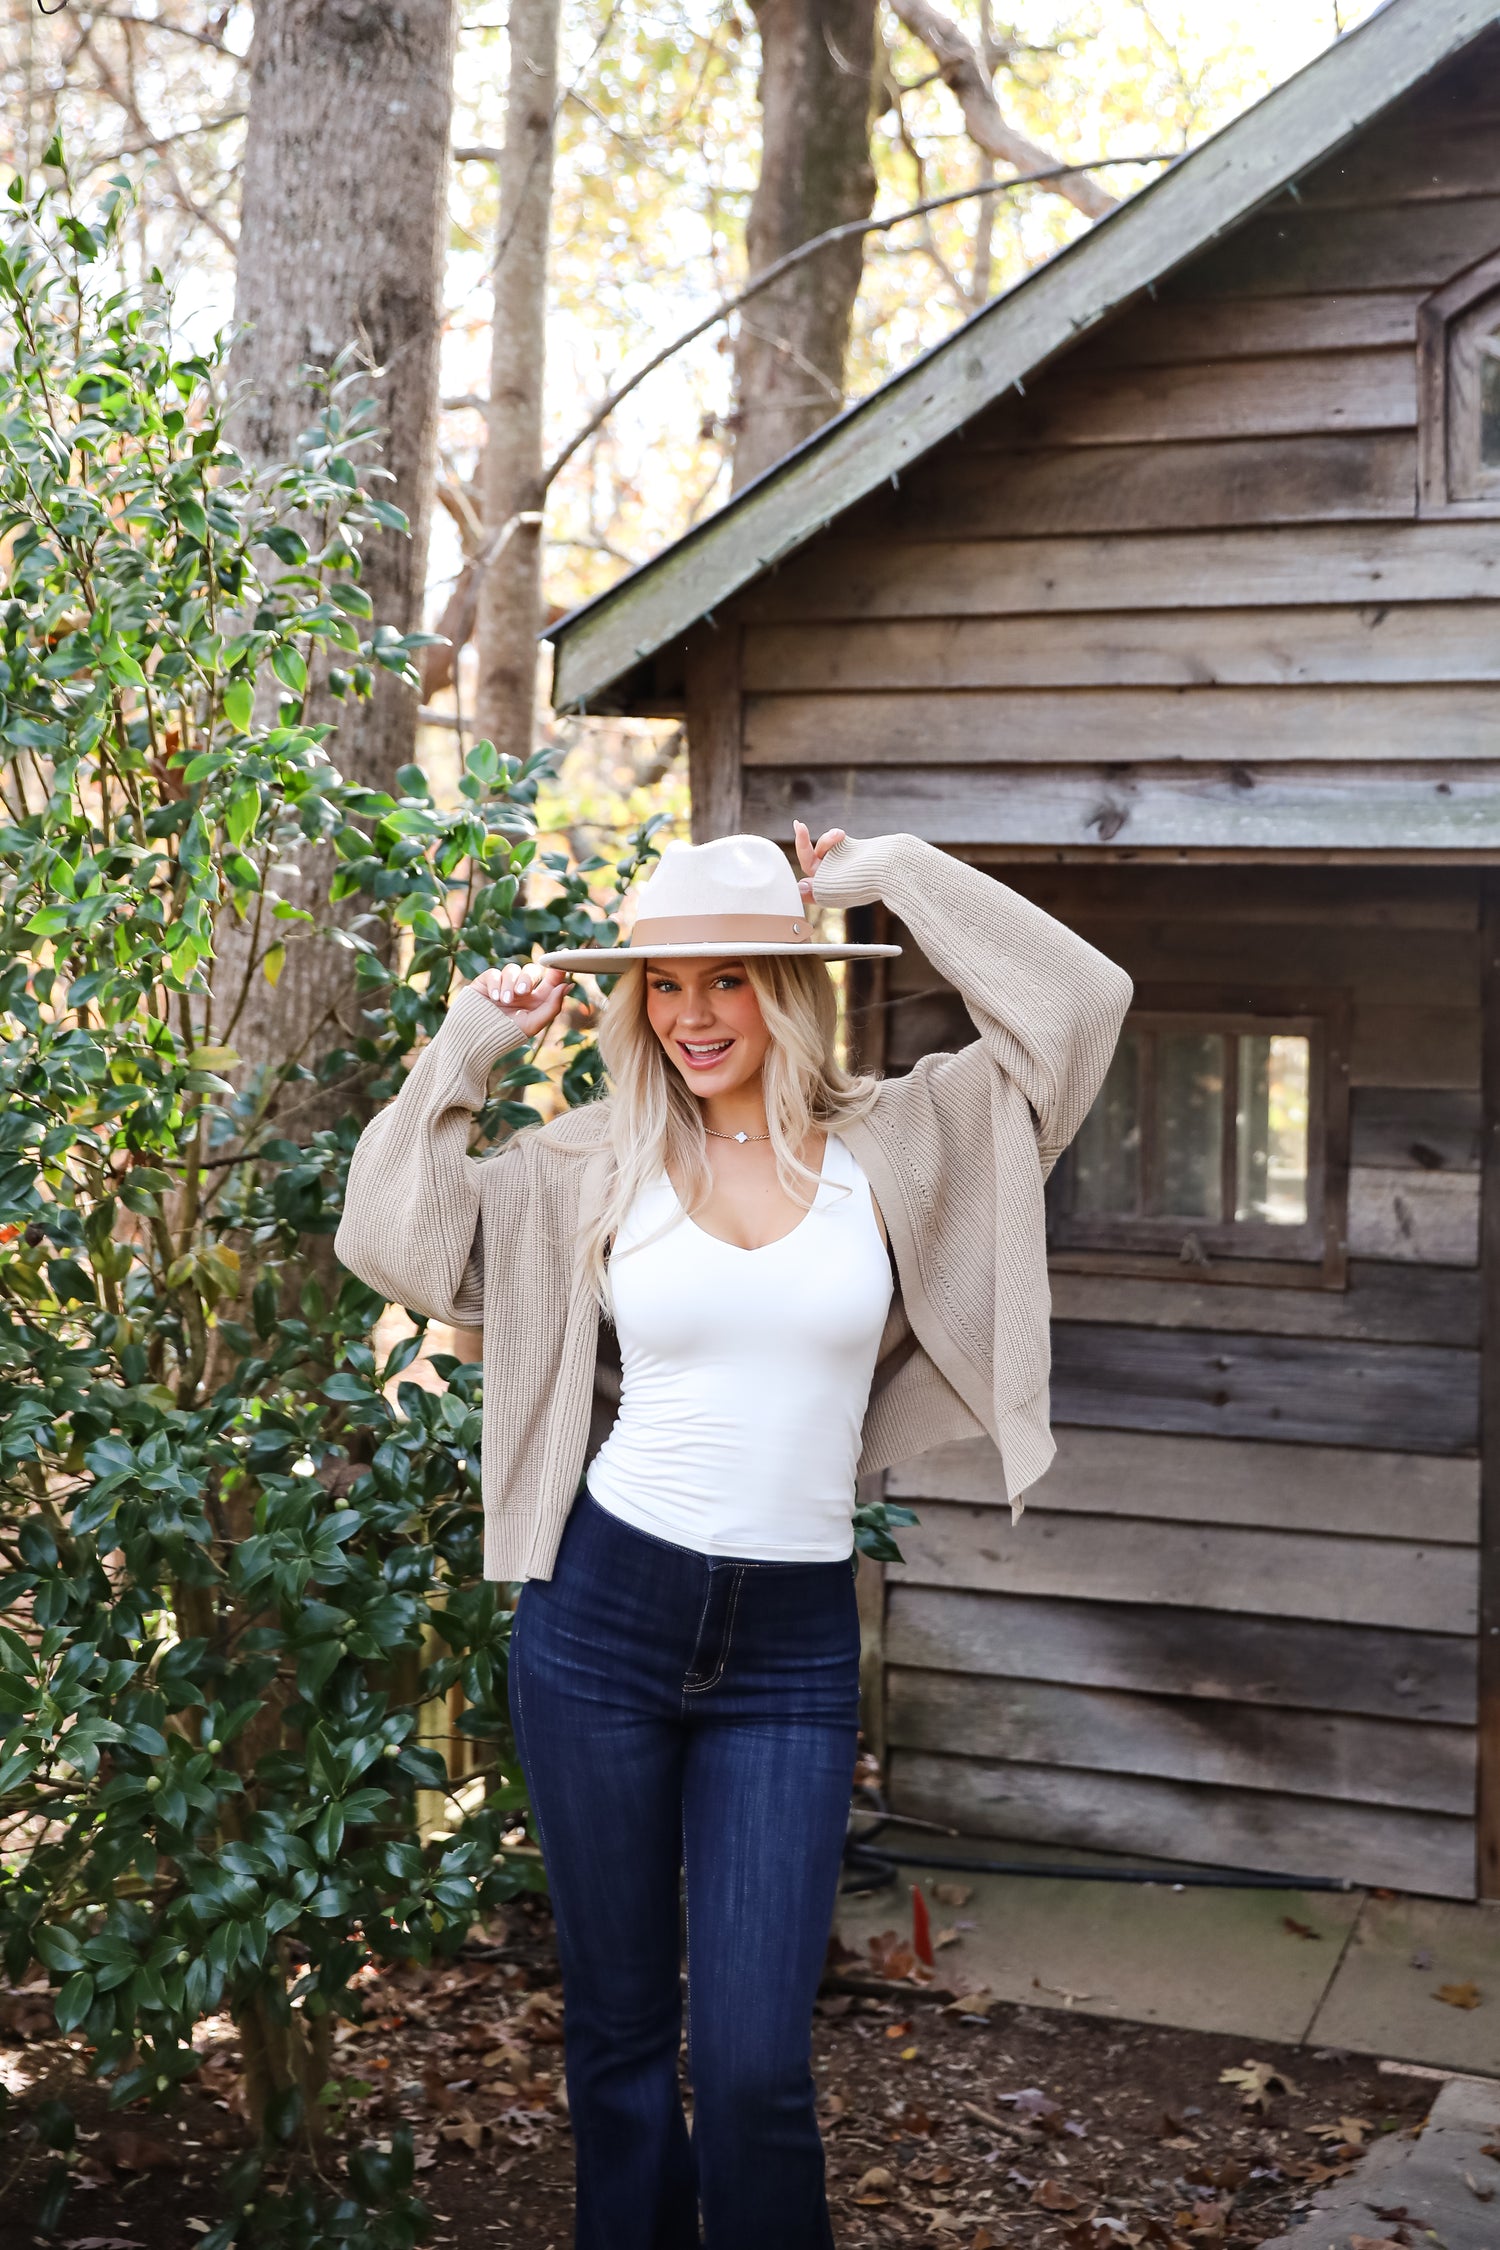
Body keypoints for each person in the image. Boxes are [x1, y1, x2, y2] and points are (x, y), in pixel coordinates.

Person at [336, 821, 1131, 2250]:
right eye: (665, 983)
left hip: (790, 1652)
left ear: (793, 987)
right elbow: (391, 1242)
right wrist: (461, 1055)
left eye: (730, 980)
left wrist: (891, 871)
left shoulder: (906, 1134)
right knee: (624, 2042)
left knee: (760, 2067)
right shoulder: (592, 1161)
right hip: (601, 1618)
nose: (694, 1014)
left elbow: (1084, 1007)